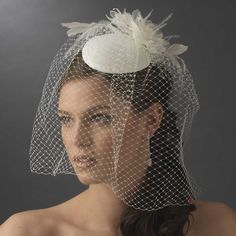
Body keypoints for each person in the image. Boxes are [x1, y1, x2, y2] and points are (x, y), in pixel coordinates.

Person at [1, 8, 236, 236]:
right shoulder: (26, 231)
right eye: (66, 119)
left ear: (152, 119)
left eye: (100, 118)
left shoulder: (220, 225)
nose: (77, 139)